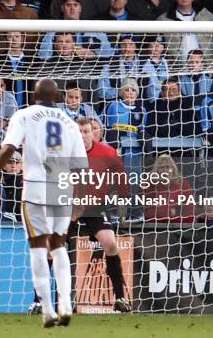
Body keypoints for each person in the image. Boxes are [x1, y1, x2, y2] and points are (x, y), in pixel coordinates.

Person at [0, 79, 88, 327]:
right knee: (59, 246)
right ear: (58, 97)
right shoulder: (69, 123)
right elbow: (80, 166)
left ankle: (48, 310)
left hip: (36, 188)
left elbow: (8, 148)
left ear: (34, 95)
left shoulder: (24, 115)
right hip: (62, 189)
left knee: (38, 247)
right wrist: (78, 199)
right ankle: (66, 305)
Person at [69, 117, 131, 312]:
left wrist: (122, 200)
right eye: (79, 132)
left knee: (110, 243)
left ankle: (120, 298)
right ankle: (39, 300)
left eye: (86, 131)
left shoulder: (107, 152)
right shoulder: (64, 153)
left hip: (95, 207)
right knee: (52, 246)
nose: (83, 136)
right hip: (68, 206)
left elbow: (122, 179)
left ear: (94, 133)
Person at [144, 153, 196, 222]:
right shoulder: (149, 184)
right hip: (154, 225)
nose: (165, 170)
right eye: (162, 167)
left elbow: (190, 208)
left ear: (173, 169)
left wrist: (177, 214)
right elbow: (148, 212)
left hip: (179, 226)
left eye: (168, 167)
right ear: (157, 169)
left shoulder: (182, 183)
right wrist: (170, 212)